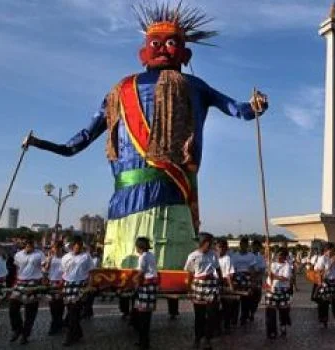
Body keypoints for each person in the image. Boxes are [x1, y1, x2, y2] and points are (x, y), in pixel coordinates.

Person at [21, 1, 268, 312]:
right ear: (143, 52)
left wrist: (255, 105)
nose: (163, 49)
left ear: (184, 54)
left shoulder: (194, 86)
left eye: (171, 43)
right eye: (156, 43)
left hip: (175, 187)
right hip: (126, 192)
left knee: (172, 239)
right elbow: (79, 141)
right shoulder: (120, 90)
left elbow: (239, 110)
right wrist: (43, 144)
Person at [184, 233, 222, 349]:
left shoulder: (213, 255)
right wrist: (188, 289)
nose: (209, 245)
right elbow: (190, 274)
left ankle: (208, 339)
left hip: (211, 286)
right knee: (199, 315)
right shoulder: (192, 256)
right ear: (201, 243)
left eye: (210, 242)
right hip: (198, 286)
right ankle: (197, 338)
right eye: (207, 242)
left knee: (211, 315)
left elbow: (218, 269)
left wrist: (220, 282)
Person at [9, 236, 46, 344]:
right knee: (13, 307)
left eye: (31, 244)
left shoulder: (39, 254)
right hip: (20, 282)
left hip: (34, 283)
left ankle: (25, 335)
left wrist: (45, 273)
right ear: (24, 245)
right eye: (27, 244)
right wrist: (15, 282)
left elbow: (44, 267)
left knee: (30, 312)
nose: (29, 246)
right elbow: (17, 269)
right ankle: (17, 329)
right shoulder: (18, 254)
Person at [61, 236, 94, 347]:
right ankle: (78, 333)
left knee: (74, 311)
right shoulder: (65, 257)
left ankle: (69, 337)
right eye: (75, 246)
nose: (77, 248)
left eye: (79, 246)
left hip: (80, 285)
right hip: (68, 285)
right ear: (71, 247)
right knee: (70, 310)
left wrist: (90, 285)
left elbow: (91, 272)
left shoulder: (86, 256)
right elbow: (63, 272)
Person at [133, 237, 158, 350]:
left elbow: (141, 272)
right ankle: (144, 341)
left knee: (142, 317)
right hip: (152, 287)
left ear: (139, 247)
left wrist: (134, 281)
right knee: (147, 316)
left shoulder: (142, 257)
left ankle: (143, 343)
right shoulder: (151, 255)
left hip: (145, 287)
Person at [313, 243, 335, 328]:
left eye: (334, 250)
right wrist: (320, 282)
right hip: (325, 281)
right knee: (324, 301)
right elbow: (318, 271)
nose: (333, 251)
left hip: (334, 281)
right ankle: (323, 319)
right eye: (331, 250)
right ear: (326, 250)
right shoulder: (322, 259)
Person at [265, 248, 293, 339]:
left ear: (285, 257)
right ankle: (272, 331)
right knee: (270, 312)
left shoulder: (287, 266)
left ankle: (283, 327)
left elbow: (285, 278)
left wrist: (274, 276)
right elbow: (268, 275)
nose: (279, 256)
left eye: (281, 255)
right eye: (278, 254)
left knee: (283, 311)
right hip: (272, 290)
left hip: (283, 290)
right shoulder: (272, 264)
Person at [232, 237, 257, 325]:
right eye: (242, 244)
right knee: (235, 299)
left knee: (246, 299)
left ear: (247, 245)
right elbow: (233, 269)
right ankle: (234, 318)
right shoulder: (235, 256)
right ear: (240, 245)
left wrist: (253, 282)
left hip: (247, 277)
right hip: (237, 277)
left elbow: (252, 269)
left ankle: (244, 317)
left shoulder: (251, 256)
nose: (243, 246)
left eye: (245, 244)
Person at [43, 242, 66, 335]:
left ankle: (58, 323)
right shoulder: (51, 258)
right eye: (53, 248)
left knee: (60, 305)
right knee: (52, 305)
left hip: (62, 283)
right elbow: (45, 270)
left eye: (56, 248)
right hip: (52, 282)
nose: (54, 250)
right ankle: (54, 324)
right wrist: (48, 261)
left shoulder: (65, 258)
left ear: (61, 248)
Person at [216, 238, 235, 332]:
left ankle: (227, 326)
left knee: (227, 306)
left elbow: (229, 274)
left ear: (225, 248)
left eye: (222, 248)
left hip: (225, 284)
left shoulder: (227, 258)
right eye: (219, 247)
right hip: (214, 284)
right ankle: (217, 326)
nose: (220, 249)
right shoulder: (213, 257)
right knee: (215, 307)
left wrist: (230, 286)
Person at [250, 240, 267, 322]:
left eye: (257, 247)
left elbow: (262, 269)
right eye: (254, 246)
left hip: (258, 279)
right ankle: (247, 313)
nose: (256, 248)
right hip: (249, 279)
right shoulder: (249, 256)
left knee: (257, 297)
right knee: (248, 298)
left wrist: (258, 278)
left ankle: (252, 312)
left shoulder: (261, 257)